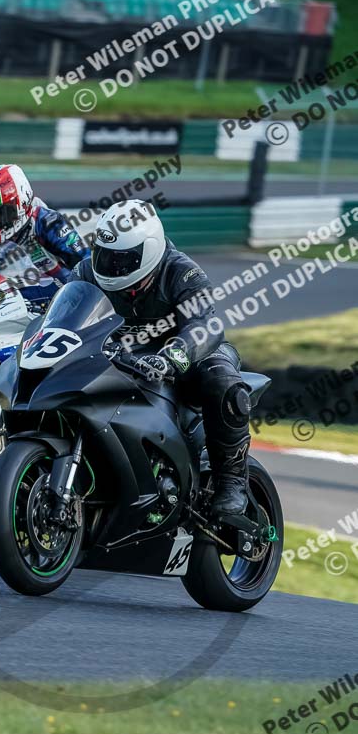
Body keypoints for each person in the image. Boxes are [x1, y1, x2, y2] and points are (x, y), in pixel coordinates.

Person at [70, 199, 252, 517]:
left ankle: (231, 482)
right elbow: (62, 312)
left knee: (221, 379)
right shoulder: (85, 271)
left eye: (121, 260)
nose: (111, 266)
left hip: (188, 355)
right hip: (121, 357)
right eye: (105, 255)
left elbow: (205, 327)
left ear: (149, 251)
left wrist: (173, 356)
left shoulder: (182, 273)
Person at [0, 164, 87, 286]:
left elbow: (86, 265)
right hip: (9, 296)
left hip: (59, 294)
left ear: (21, 204)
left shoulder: (48, 223)